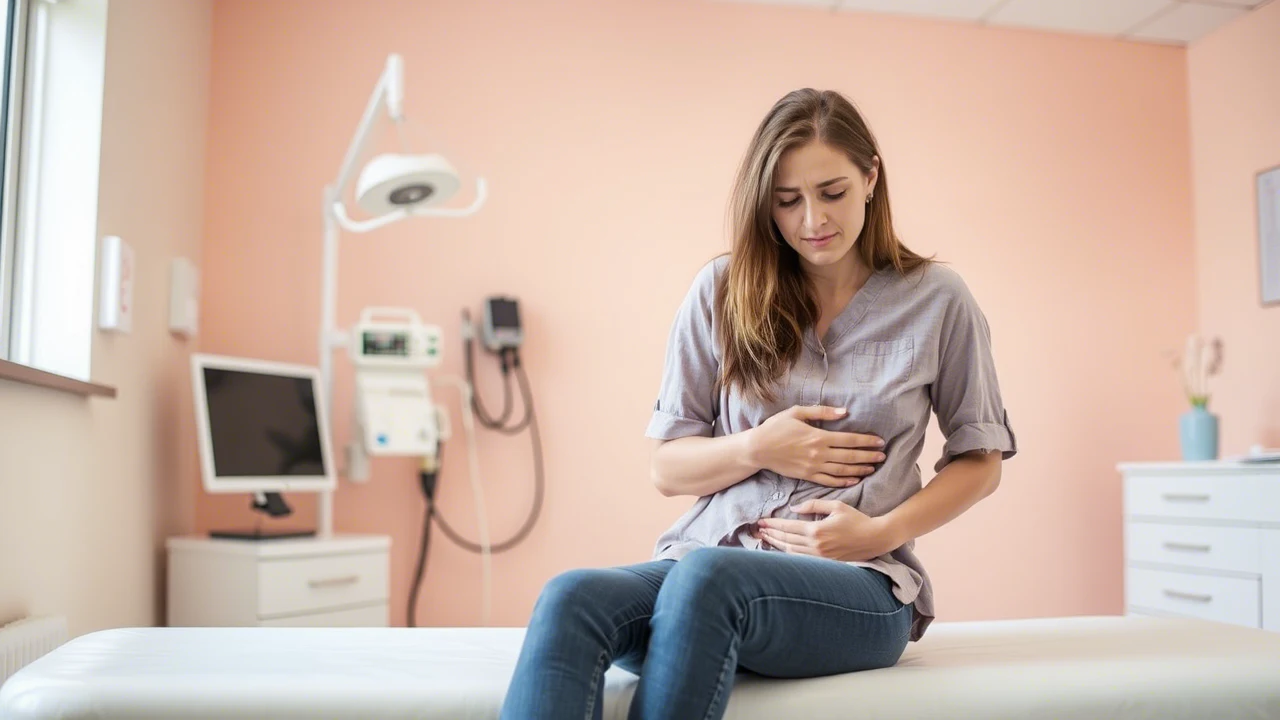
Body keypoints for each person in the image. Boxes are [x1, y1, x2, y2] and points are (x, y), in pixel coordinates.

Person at [499, 88, 1018, 720]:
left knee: (708, 582)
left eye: (831, 192)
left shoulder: (938, 299)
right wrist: (758, 446)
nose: (811, 221)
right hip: (704, 561)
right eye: (787, 200)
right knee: (569, 597)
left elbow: (981, 462)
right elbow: (667, 469)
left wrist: (879, 532)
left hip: (859, 582)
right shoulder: (720, 290)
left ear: (871, 177)